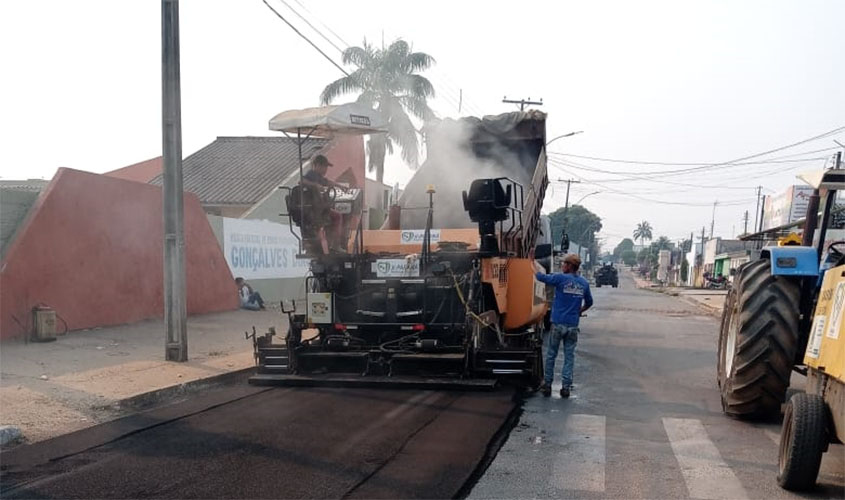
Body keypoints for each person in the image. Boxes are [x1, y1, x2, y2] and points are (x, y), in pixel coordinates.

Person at [535, 253, 593, 398]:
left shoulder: (560, 279)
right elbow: (589, 302)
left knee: (551, 355)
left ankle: (547, 385)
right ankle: (565, 387)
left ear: (569, 266)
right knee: (569, 357)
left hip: (558, 324)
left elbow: (540, 277)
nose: (562, 266)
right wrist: (579, 310)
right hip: (572, 325)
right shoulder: (584, 283)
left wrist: (531, 262)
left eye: (564, 264)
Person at [301, 154, 348, 251]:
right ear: (317, 165)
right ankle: (335, 244)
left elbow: (328, 182)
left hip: (318, 209)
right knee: (337, 216)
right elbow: (301, 181)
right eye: (324, 167)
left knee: (332, 215)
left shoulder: (317, 177)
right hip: (315, 210)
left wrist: (340, 186)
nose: (326, 170)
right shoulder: (311, 174)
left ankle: (331, 242)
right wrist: (315, 185)